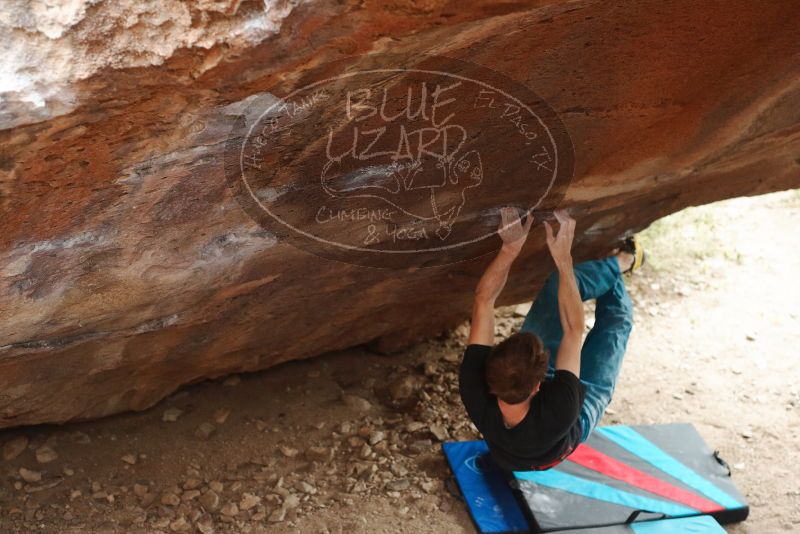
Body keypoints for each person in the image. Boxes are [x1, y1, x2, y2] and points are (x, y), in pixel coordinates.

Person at [458, 207, 645, 476]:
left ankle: (611, 265)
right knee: (615, 325)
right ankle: (621, 263)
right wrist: (563, 259)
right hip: (574, 421)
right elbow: (573, 329)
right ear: (539, 384)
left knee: (560, 285)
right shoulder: (561, 410)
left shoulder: (474, 387)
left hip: (526, 419)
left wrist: (510, 248)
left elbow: (483, 301)